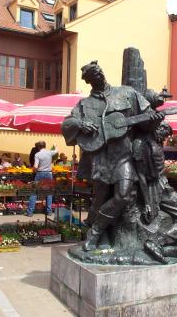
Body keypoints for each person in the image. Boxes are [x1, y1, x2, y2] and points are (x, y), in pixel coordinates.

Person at [62, 60, 162, 251]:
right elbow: (67, 124)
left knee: (123, 195)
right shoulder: (84, 104)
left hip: (123, 156)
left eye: (99, 71)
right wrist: (81, 124)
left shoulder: (126, 93)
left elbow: (145, 122)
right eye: (93, 74)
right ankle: (100, 233)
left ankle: (95, 232)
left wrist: (154, 121)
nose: (98, 75)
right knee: (99, 199)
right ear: (88, 80)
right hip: (99, 158)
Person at [133, 121, 177, 263]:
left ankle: (160, 244)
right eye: (164, 131)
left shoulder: (156, 142)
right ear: (157, 127)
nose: (165, 136)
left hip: (163, 185)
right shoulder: (140, 144)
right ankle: (157, 242)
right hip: (155, 189)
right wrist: (147, 203)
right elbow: (141, 177)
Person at [27, 141, 58, 217]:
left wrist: (33, 169)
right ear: (45, 146)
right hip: (49, 173)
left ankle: (30, 212)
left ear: (38, 147)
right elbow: (57, 150)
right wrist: (55, 145)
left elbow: (36, 166)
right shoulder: (49, 153)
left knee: (34, 193)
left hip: (40, 174)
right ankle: (49, 211)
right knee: (49, 193)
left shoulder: (37, 154)